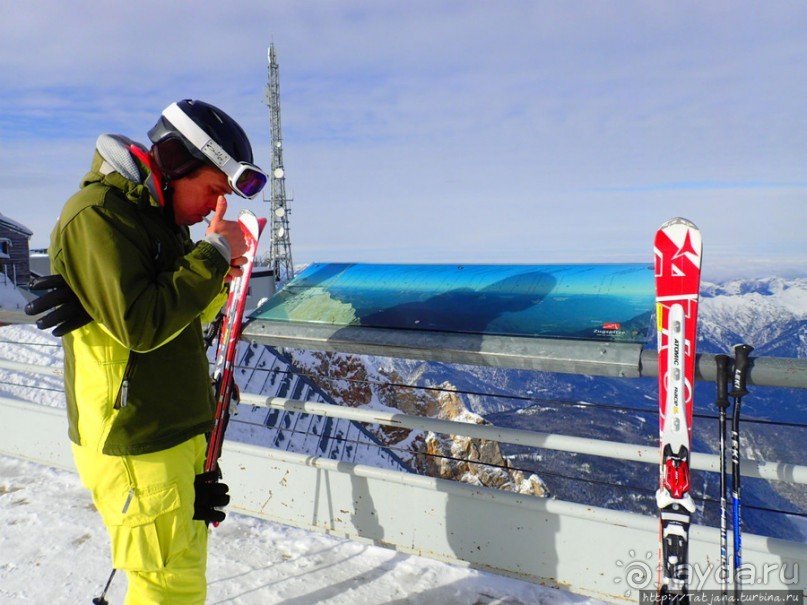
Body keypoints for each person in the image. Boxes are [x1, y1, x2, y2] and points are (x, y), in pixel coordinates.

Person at [27, 99, 267, 604]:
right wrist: (214, 252)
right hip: (132, 435)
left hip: (171, 428)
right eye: (214, 189)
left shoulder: (160, 222)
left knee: (181, 575)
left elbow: (185, 316)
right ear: (179, 164)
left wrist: (214, 274)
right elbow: (143, 324)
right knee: (165, 585)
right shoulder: (96, 215)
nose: (213, 208)